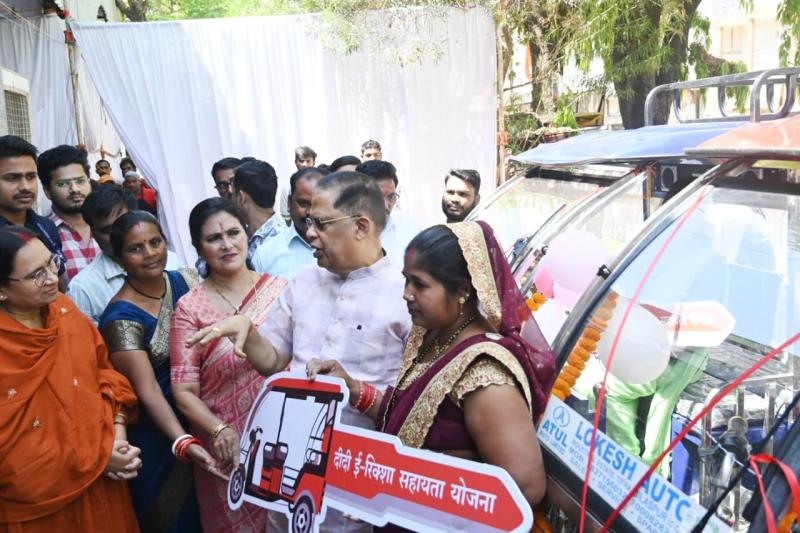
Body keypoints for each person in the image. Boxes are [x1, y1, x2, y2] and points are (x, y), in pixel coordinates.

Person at [187, 171, 410, 533]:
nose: (309, 234)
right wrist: (248, 331)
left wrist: (355, 389)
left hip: (358, 479)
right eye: (308, 222)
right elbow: (273, 361)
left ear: (361, 227)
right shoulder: (304, 280)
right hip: (288, 474)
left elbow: (413, 405)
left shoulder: (403, 295)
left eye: (321, 224)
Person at [307, 221, 557, 521]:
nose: (406, 294)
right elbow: (408, 420)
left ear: (462, 291)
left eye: (420, 285)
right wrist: (351, 387)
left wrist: (418, 490)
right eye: (406, 280)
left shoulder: (485, 374)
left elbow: (525, 488)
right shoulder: (433, 337)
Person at [0, 226, 141, 532]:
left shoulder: (64, 310)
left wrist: (117, 436)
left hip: (105, 484)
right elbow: (12, 459)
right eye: (36, 275)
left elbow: (105, 374)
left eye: (52, 263)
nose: (53, 278)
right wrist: (98, 460)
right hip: (42, 510)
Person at [170, 198, 287, 533]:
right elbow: (184, 390)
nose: (227, 245)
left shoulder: (281, 291)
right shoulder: (190, 308)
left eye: (233, 233)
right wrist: (218, 429)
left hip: (282, 438)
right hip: (226, 447)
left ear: (247, 233)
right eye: (213, 238)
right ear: (198, 247)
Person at [98, 211, 220, 531]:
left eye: (155, 242)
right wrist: (181, 440)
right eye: (136, 248)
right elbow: (148, 390)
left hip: (208, 413)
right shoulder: (120, 317)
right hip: (161, 432)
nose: (150, 253)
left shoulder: (187, 280)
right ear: (119, 258)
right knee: (177, 519)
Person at [67, 185, 182, 324]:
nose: (117, 237)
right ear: (93, 233)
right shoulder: (82, 289)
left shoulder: (170, 261)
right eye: (107, 230)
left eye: (123, 226)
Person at [0, 135, 66, 282]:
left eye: (31, 177)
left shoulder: (46, 226)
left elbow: (59, 283)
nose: (25, 186)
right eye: (12, 178)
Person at [38, 145, 100, 284]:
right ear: (47, 191)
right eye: (63, 184)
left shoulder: (110, 226)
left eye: (80, 181)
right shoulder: (41, 236)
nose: (75, 189)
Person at [252, 166, 328, 278]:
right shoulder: (265, 255)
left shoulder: (348, 247)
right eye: (303, 204)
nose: (310, 212)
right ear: (289, 203)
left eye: (319, 204)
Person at [356, 159, 420, 266]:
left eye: (391, 197)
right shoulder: (342, 232)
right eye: (377, 197)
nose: (385, 206)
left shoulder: (411, 229)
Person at [231, 159, 286, 259]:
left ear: (241, 197)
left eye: (233, 194)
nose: (231, 200)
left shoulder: (276, 243)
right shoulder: (244, 235)